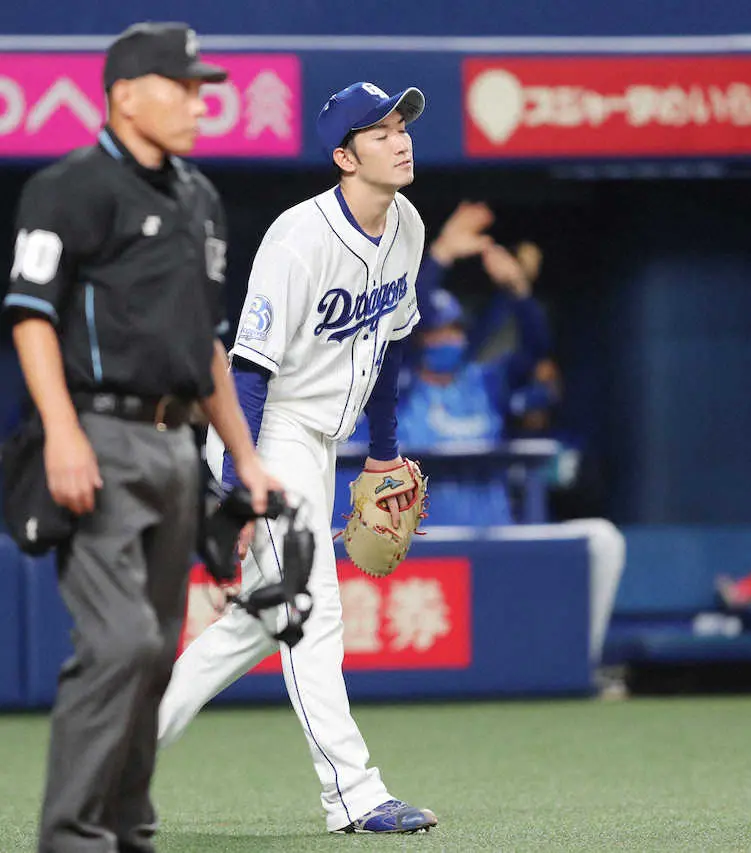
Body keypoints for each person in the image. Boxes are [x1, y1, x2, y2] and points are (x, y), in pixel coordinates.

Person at [1, 22, 278, 853]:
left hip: (177, 444)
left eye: (202, 89)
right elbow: (30, 314)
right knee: (120, 639)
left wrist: (246, 458)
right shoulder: (68, 187)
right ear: (124, 95)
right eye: (182, 87)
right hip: (99, 434)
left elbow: (208, 346)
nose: (200, 103)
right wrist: (62, 432)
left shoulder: (200, 198)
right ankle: (71, 836)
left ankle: (127, 831)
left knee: (156, 649)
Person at [157, 82, 437, 834]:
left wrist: (383, 456)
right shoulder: (297, 238)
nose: (400, 140)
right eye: (380, 132)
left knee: (258, 619)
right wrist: (238, 489)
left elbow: (392, 346)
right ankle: (354, 795)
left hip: (325, 440)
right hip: (266, 431)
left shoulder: (407, 225)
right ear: (345, 157)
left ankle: (120, 749)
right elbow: (248, 372)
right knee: (312, 606)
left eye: (402, 126)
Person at [385, 228, 626, 674]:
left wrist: (518, 291)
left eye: (455, 330)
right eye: (437, 332)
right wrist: (439, 256)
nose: (447, 339)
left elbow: (535, 346)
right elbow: (398, 329)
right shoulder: (402, 387)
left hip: (495, 541)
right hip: (425, 548)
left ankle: (579, 670)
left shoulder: (484, 383)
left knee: (603, 540)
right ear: (420, 340)